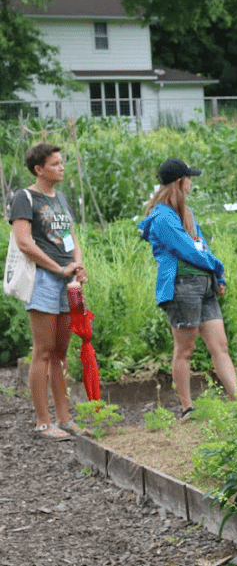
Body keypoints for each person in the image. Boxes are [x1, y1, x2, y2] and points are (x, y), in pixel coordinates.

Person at [138, 159, 237, 416]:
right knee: (185, 349)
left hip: (204, 285)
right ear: (180, 182)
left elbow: (201, 244)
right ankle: (186, 407)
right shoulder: (161, 216)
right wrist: (217, 266)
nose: (191, 183)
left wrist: (219, 277)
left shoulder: (187, 213)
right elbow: (186, 249)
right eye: (189, 179)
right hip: (181, 286)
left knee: (221, 346)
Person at [8, 143, 87, 441]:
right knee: (42, 350)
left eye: (61, 162)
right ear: (39, 169)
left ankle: (65, 419)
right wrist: (58, 268)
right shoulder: (24, 198)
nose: (62, 167)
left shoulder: (61, 198)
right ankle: (43, 422)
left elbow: (71, 237)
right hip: (44, 279)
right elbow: (25, 243)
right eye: (55, 164)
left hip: (69, 280)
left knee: (61, 353)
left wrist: (78, 265)